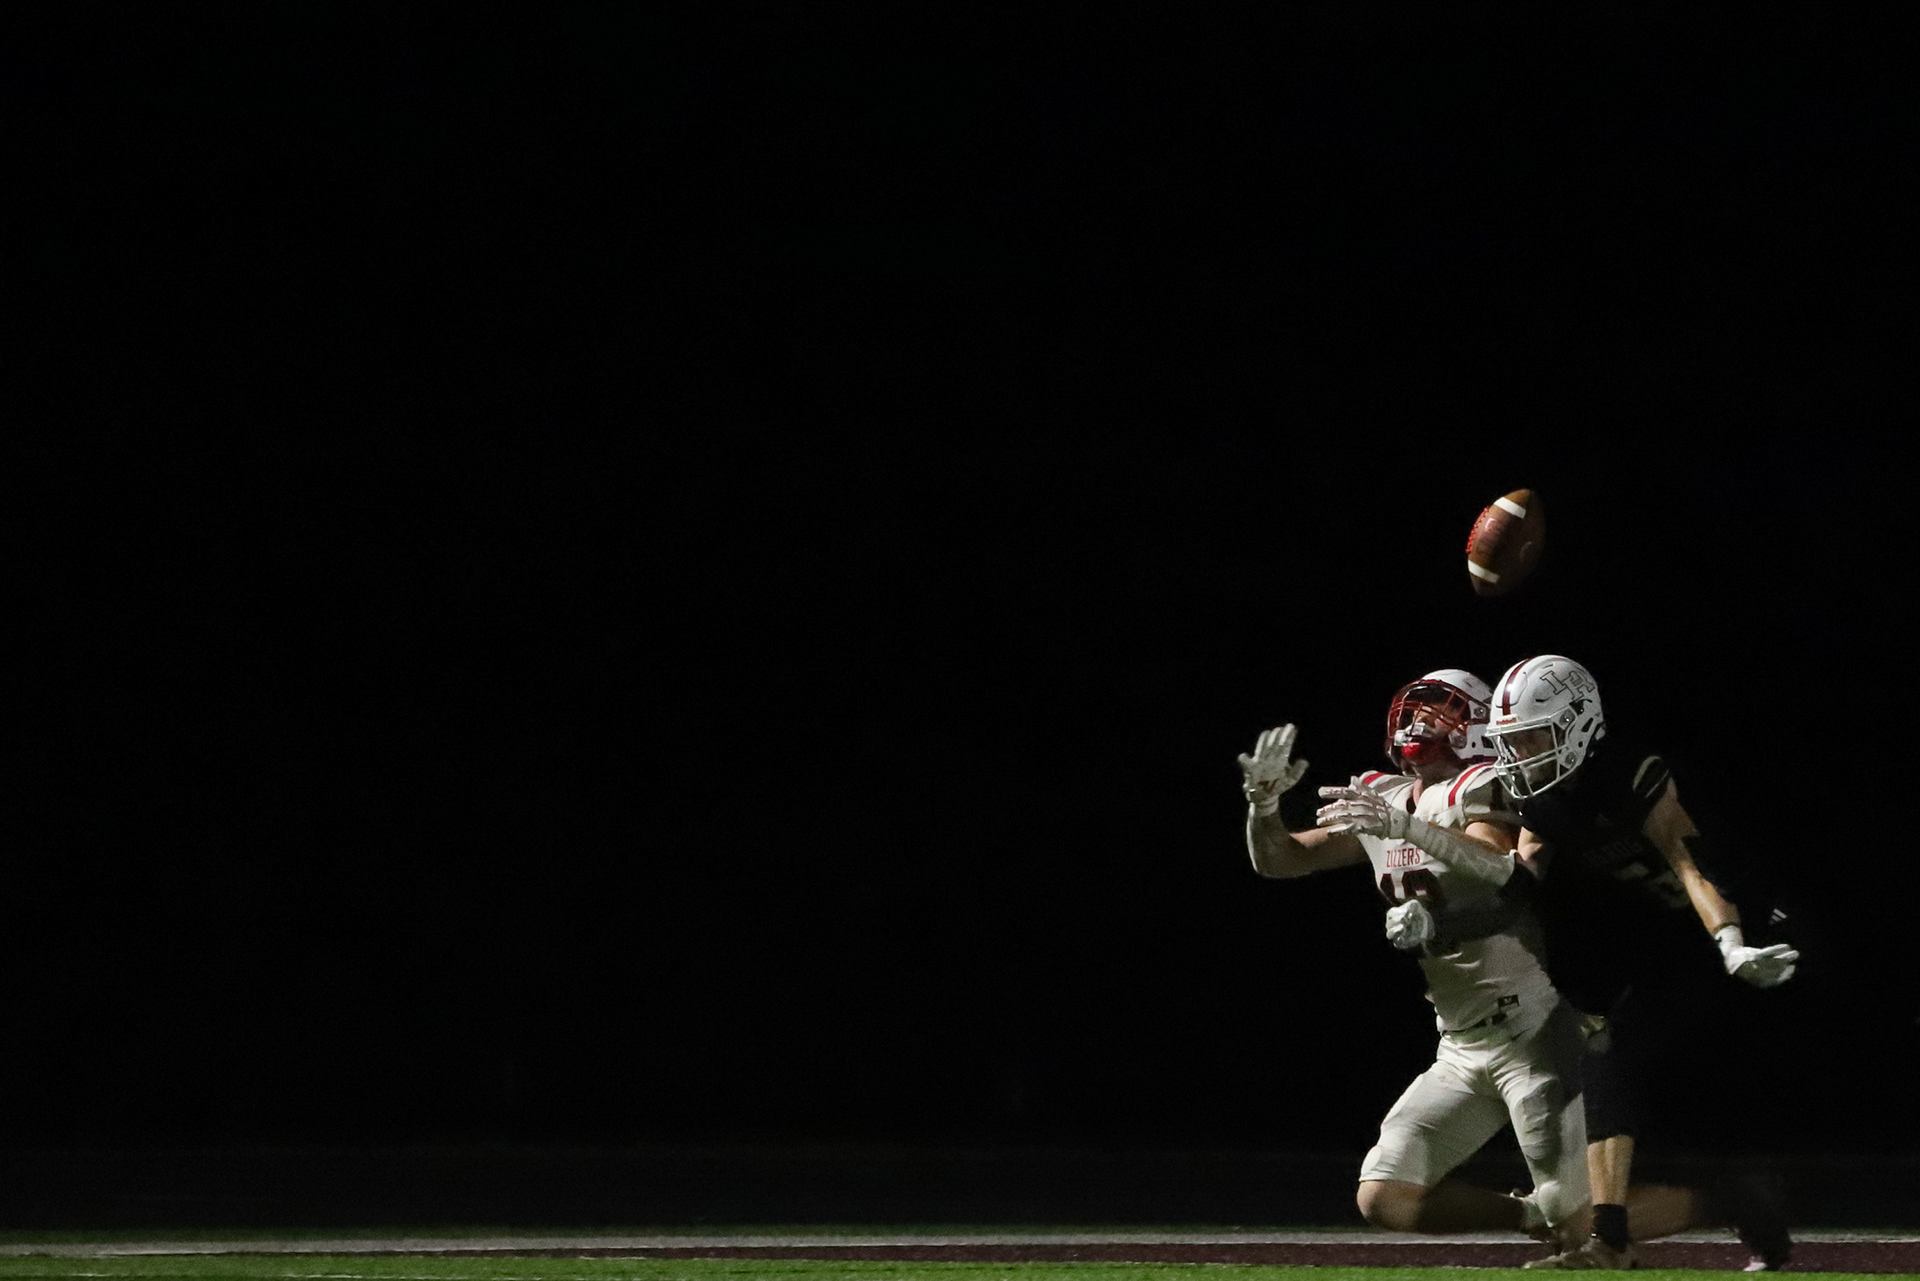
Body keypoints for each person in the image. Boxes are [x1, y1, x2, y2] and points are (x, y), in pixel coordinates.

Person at [1383, 655, 1798, 1271]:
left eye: (1531, 738)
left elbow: (1689, 866)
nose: (1520, 755)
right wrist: (1436, 924)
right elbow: (1516, 894)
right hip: (1662, 940)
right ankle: (1628, 1233)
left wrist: (1731, 940)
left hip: (1744, 926)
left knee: (1633, 1064)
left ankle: (1663, 1221)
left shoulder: (1631, 773)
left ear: (1577, 725)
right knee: (1607, 1063)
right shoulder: (1544, 805)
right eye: (1510, 742)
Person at [1240, 670, 1589, 1252]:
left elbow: (1500, 868)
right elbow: (1281, 861)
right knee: (1385, 1195)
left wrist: (1409, 829)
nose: (1419, 723)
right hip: (1460, 1042)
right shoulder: (1384, 798)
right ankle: (1531, 1219)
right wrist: (1264, 806)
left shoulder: (1483, 784)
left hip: (1535, 1030)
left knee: (1582, 1224)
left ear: (1479, 724)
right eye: (1413, 710)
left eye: (1441, 711)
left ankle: (1723, 1199)